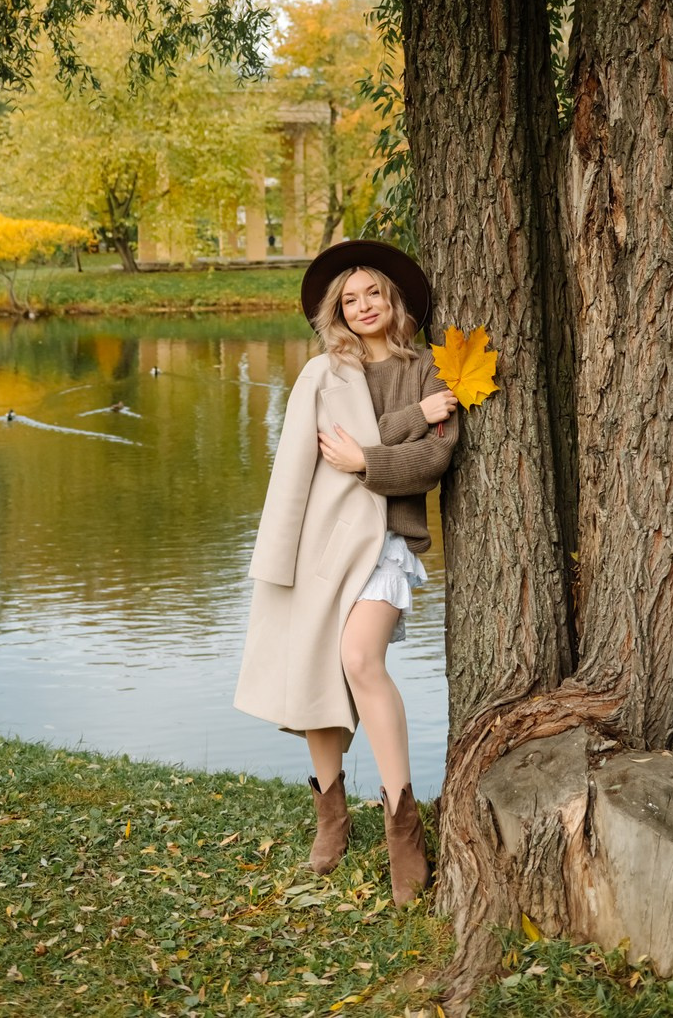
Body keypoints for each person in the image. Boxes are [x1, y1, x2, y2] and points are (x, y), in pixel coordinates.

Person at [234, 238, 459, 905]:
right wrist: (403, 427)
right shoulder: (325, 374)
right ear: (337, 311)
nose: (363, 307)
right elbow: (305, 462)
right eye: (350, 299)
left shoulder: (429, 369)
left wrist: (368, 459)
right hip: (325, 543)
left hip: (388, 540)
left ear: (394, 301)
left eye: (374, 294)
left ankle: (401, 824)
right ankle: (331, 813)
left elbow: (433, 462)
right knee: (315, 664)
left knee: (360, 658)